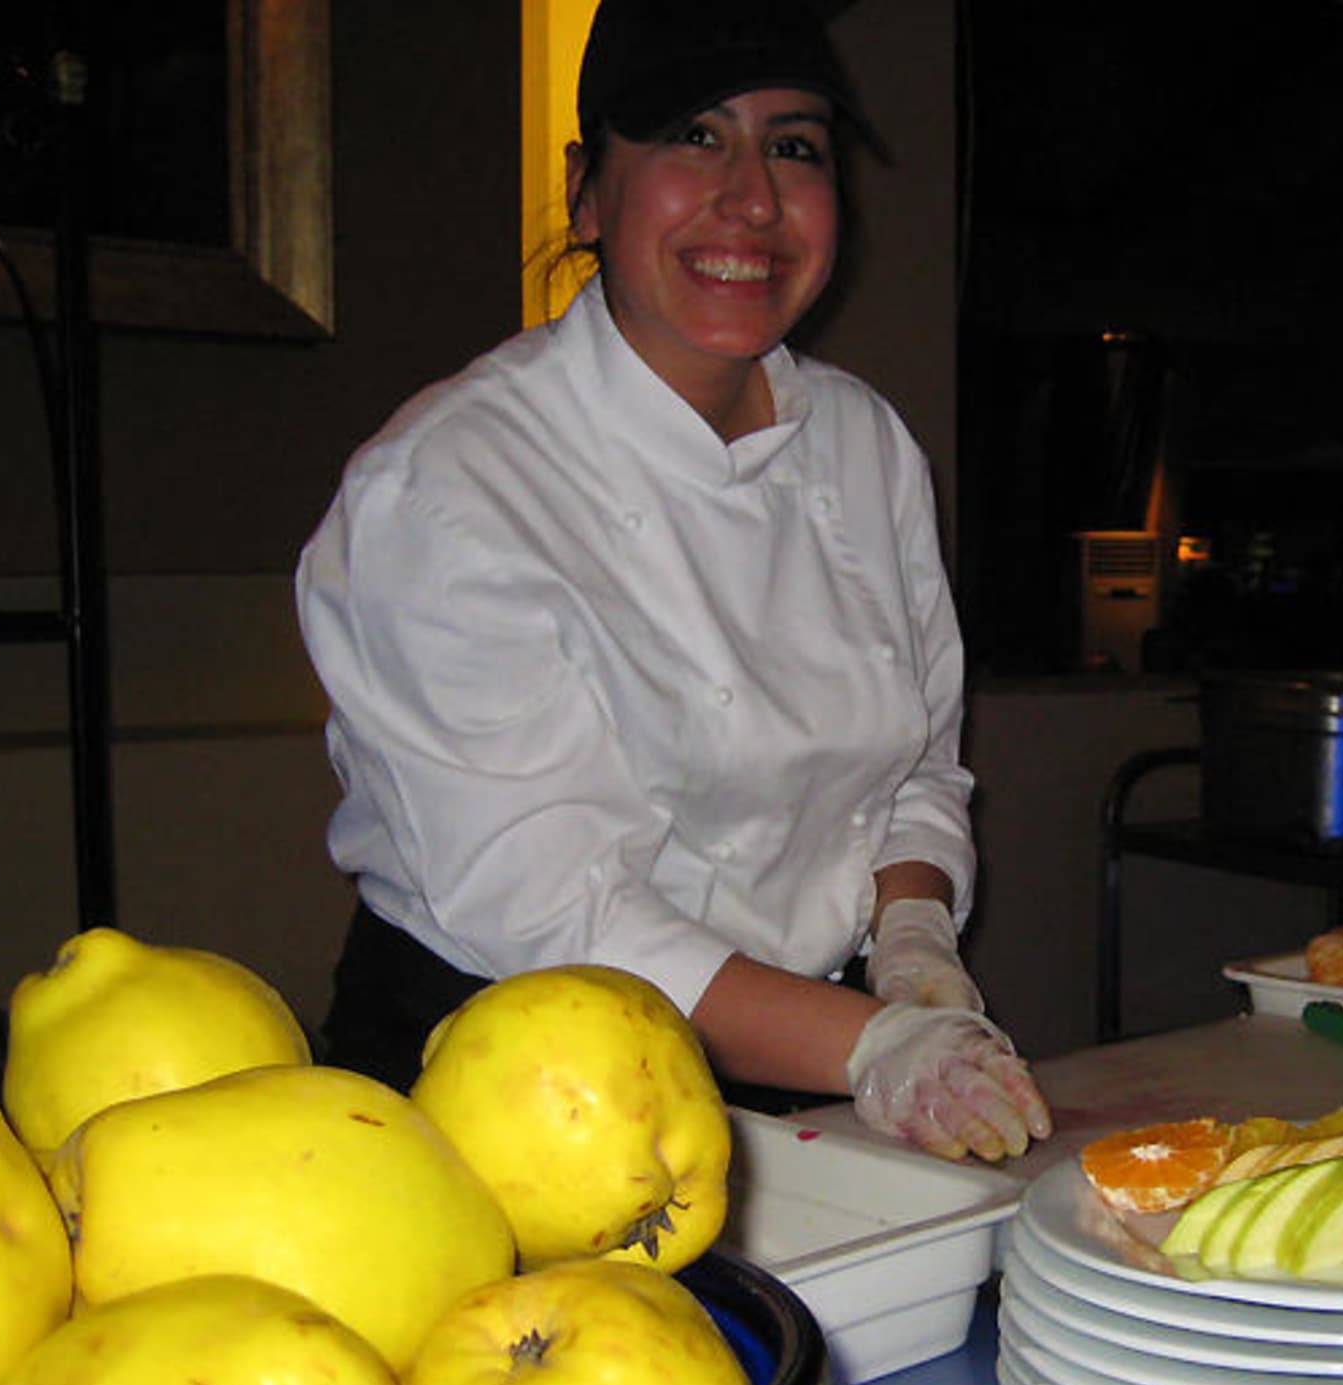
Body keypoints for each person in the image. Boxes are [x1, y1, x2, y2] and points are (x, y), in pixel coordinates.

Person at [293, 0, 1051, 1163]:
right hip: (509, 1082)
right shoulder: (446, 485)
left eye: (793, 146)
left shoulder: (865, 445)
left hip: (812, 1062)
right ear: (586, 191)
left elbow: (914, 773)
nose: (752, 198)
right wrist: (881, 1045)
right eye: (695, 136)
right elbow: (559, 909)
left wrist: (913, 942)